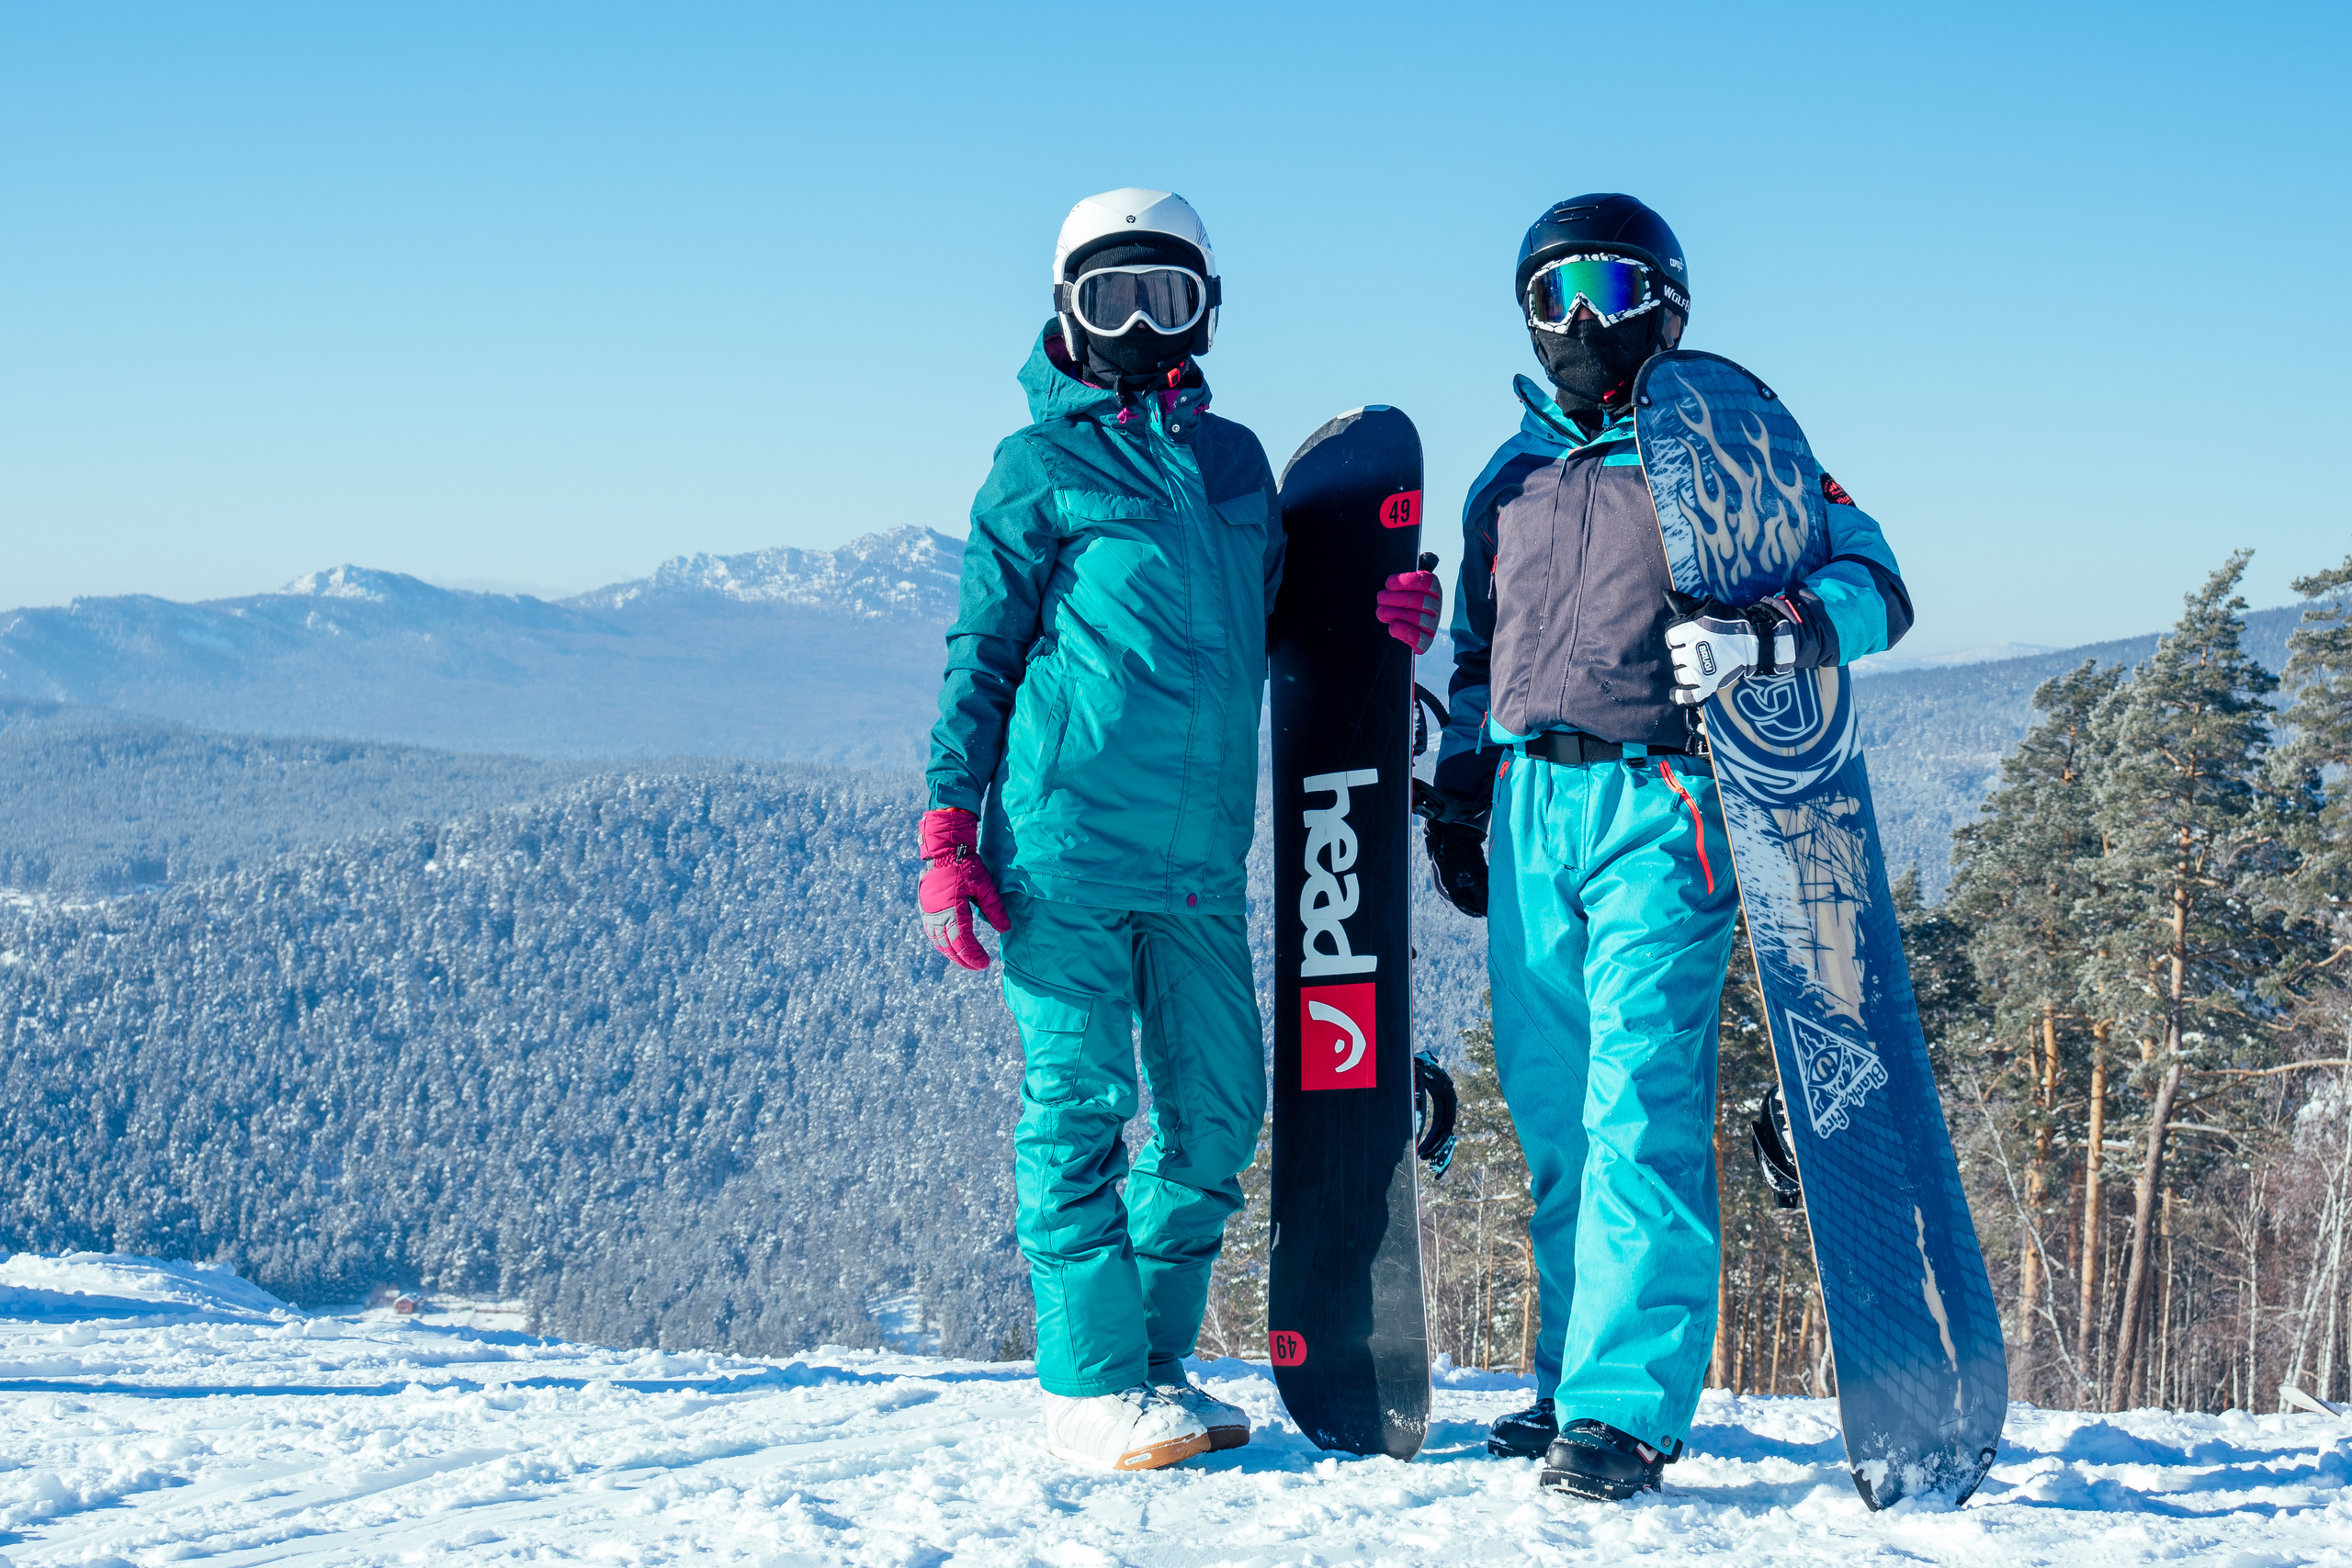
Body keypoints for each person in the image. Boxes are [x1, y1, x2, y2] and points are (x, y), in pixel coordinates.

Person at [917, 187, 1441, 1473]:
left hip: (1201, 862)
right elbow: (981, 655)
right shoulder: (1037, 468)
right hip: (1067, 849)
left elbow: (1261, 631)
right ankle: (1089, 1383)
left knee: (1216, 1123)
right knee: (1080, 1105)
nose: (1143, 324)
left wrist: (1389, 618)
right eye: (1114, 298)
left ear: (1206, 309)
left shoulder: (1234, 465)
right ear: (1066, 311)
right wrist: (948, 831)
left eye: (1169, 295)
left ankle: (1149, 1367)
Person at [1425, 193, 1912, 1501]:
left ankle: (1626, 1406)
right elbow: (1477, 657)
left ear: (1669, 305)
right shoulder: (1508, 478)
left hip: (1666, 800)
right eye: (1556, 293)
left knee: (1635, 1100)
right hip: (1535, 805)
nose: (1584, 320)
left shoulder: (1726, 449)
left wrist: (1773, 634)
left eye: (1612, 289)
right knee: (1551, 1114)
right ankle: (1563, 1378)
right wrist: (1463, 784)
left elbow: (1878, 582)